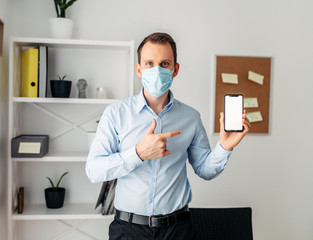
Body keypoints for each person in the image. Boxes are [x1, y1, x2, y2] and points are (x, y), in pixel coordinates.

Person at [85, 32, 250, 239]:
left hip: (177, 230)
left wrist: (225, 146)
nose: (157, 70)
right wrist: (138, 153)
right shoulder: (116, 113)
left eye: (164, 64)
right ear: (139, 69)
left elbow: (205, 170)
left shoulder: (190, 117)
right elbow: (94, 170)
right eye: (149, 63)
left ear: (175, 69)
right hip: (128, 230)